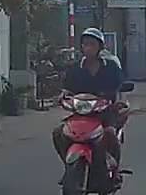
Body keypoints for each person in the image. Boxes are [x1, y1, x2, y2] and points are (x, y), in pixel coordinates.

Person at [52, 28, 128, 167]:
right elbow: (67, 89)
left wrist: (119, 101)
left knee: (110, 133)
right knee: (58, 132)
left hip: (105, 112)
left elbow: (120, 87)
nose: (88, 48)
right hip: (81, 113)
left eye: (92, 44)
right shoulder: (75, 69)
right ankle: (69, 164)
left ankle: (114, 166)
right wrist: (63, 96)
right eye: (85, 44)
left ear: (100, 47)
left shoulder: (110, 67)